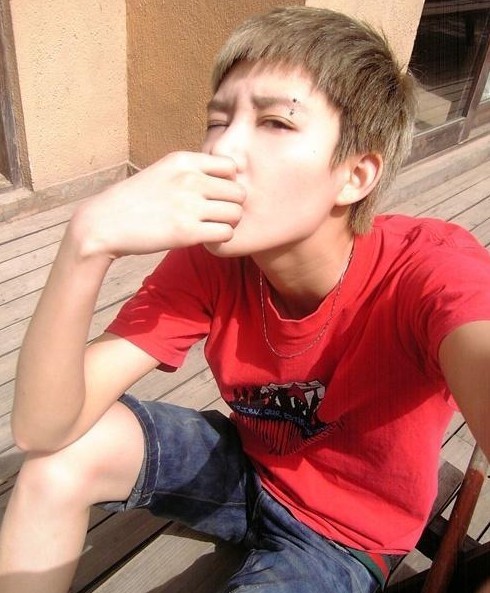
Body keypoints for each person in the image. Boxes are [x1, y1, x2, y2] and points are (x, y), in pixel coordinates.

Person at [0, 6, 489, 593]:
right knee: (56, 462)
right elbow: (43, 429)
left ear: (356, 175)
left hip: (345, 537)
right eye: (218, 119)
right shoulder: (213, 260)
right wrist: (85, 244)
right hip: (246, 466)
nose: (222, 151)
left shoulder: (428, 271)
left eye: (276, 122)